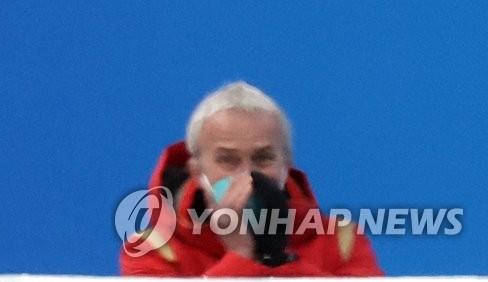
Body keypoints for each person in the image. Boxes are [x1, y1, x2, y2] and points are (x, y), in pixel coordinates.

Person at [119, 81, 383, 276]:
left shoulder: (340, 240)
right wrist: (240, 256)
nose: (246, 174)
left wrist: (275, 258)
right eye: (228, 159)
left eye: (263, 158)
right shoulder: (153, 249)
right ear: (197, 172)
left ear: (286, 166)